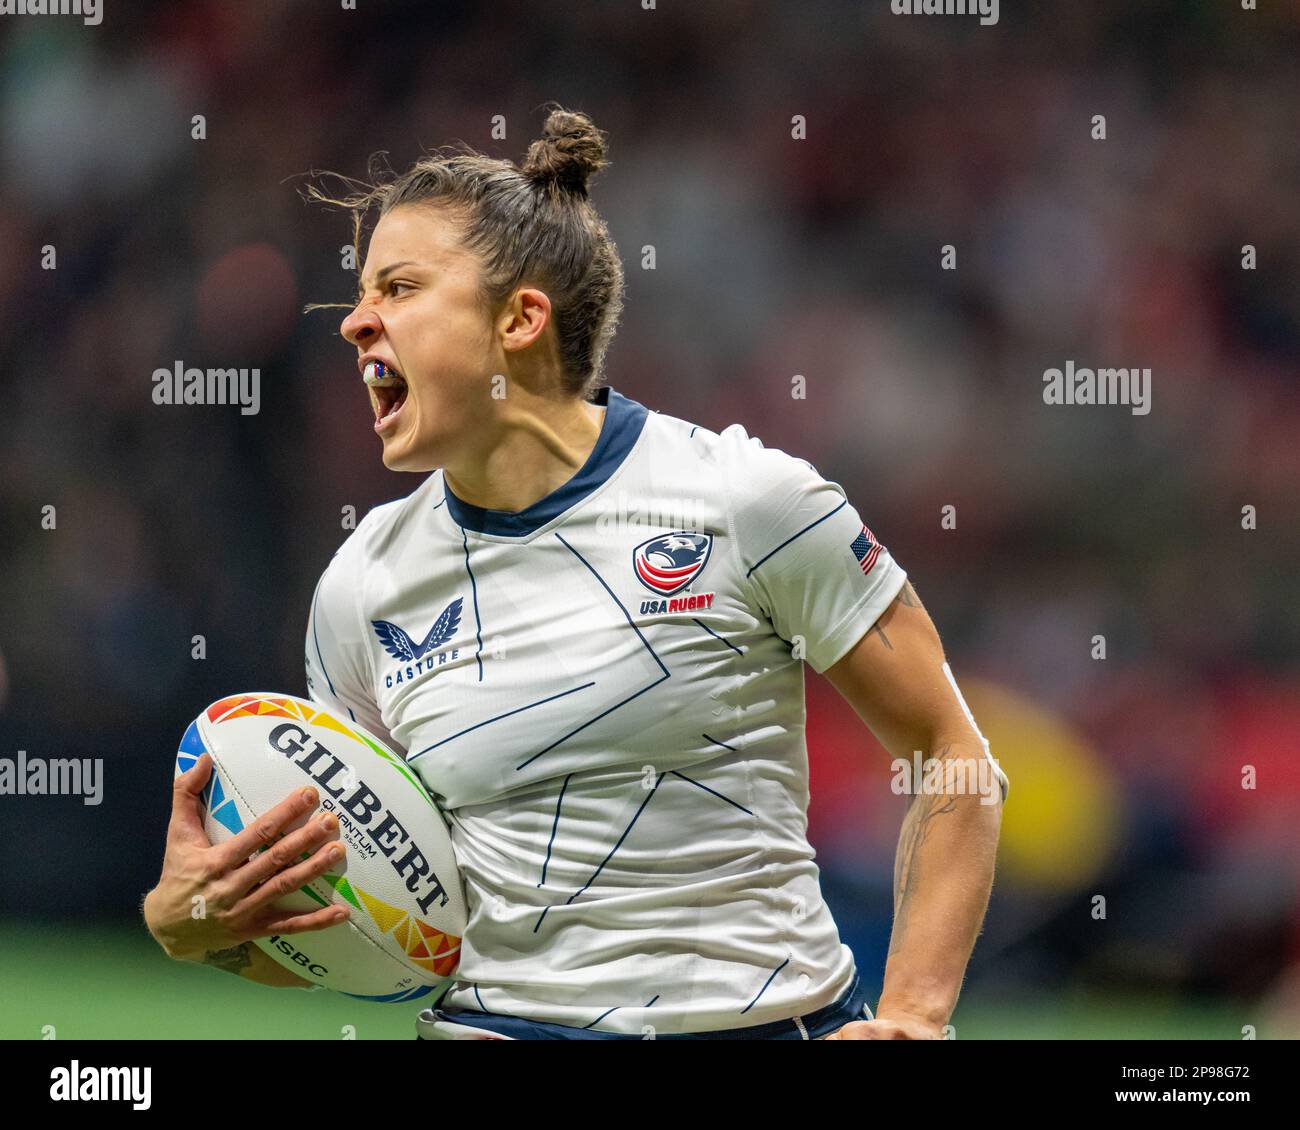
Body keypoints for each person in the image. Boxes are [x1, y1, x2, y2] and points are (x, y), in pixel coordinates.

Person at [146, 105, 1007, 1040]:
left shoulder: (745, 499)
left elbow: (952, 755)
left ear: (521, 318)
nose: (356, 323)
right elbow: (372, 924)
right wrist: (196, 927)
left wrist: (917, 1014)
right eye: (362, 294)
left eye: (398, 287)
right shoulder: (360, 582)